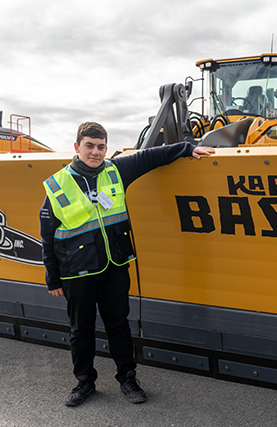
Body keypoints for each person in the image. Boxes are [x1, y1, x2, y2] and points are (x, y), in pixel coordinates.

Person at [39, 122, 214, 407]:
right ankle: (84, 382)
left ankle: (128, 378)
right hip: (76, 272)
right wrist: (53, 278)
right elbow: (47, 236)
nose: (95, 152)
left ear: (106, 148)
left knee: (119, 326)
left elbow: (150, 156)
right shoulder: (58, 185)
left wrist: (187, 148)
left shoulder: (116, 171)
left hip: (114, 266)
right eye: (89, 146)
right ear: (77, 147)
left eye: (101, 147)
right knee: (80, 330)